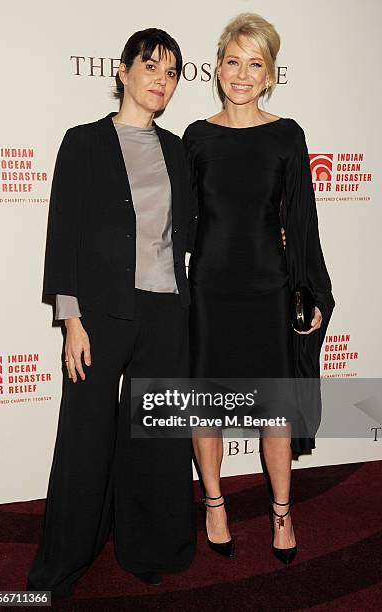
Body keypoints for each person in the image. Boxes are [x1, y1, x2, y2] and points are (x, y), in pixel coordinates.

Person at [27, 28, 197, 599]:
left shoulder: (178, 149)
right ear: (122, 72)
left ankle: (147, 546)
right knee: (85, 437)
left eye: (172, 73)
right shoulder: (83, 142)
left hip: (166, 311)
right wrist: (72, 321)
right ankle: (66, 559)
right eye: (151, 67)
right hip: (100, 315)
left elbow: (198, 227)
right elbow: (64, 236)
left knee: (155, 436)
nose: (162, 81)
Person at [183, 12, 334, 564]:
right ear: (218, 67)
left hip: (269, 286)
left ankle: (281, 513)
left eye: (255, 64)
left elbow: (303, 219)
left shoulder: (287, 135)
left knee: (274, 410)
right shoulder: (195, 137)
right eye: (232, 61)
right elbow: (181, 220)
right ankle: (215, 504)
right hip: (209, 290)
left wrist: (312, 289)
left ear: (270, 73)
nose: (242, 74)